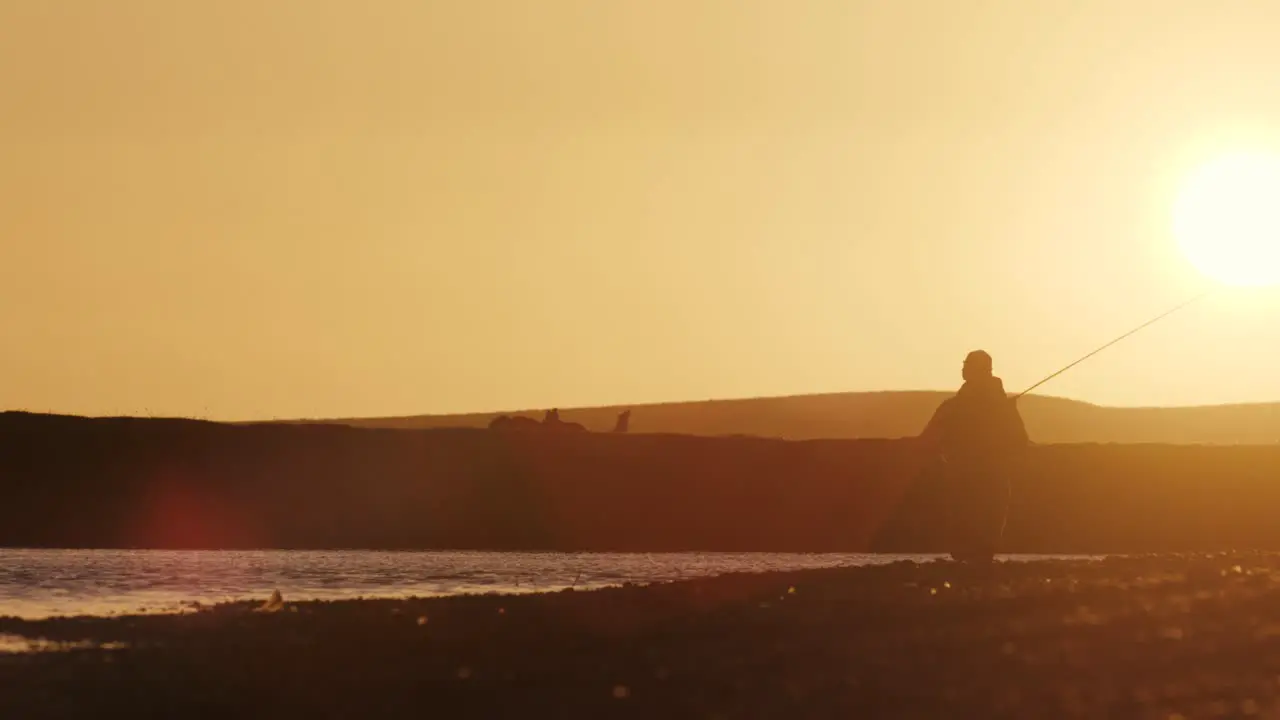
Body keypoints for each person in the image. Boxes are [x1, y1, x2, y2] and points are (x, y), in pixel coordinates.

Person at [917, 350, 1029, 563]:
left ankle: (969, 564)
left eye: (967, 364)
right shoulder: (1003, 408)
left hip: (965, 473)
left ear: (978, 370)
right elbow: (1020, 440)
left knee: (965, 522)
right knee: (987, 523)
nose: (963, 368)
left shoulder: (954, 406)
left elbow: (928, 438)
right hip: (993, 474)